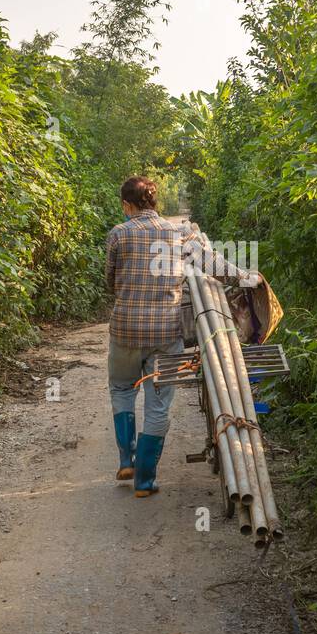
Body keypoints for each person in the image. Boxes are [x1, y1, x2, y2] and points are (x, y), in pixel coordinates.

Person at [105, 176, 257, 497]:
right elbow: (214, 265)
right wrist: (246, 277)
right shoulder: (179, 233)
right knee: (158, 405)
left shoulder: (118, 234)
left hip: (125, 331)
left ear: (126, 205)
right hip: (165, 332)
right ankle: (144, 481)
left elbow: (111, 279)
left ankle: (126, 459)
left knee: (121, 388)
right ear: (155, 203)